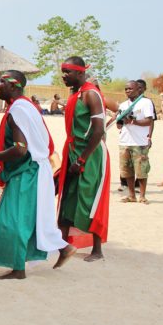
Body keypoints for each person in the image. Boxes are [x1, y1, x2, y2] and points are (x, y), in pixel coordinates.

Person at [0, 71, 73, 278]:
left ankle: (18, 269)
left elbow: (20, 148)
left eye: (2, 82)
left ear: (14, 85)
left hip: (27, 172)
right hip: (35, 170)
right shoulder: (26, 106)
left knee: (15, 219)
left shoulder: (18, 110)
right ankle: (63, 248)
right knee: (32, 218)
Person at [57, 57, 110, 262]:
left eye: (67, 72)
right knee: (67, 195)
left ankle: (97, 250)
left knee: (90, 197)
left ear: (80, 73)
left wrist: (82, 159)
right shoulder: (75, 94)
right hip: (73, 150)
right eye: (63, 71)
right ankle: (61, 245)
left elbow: (98, 131)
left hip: (91, 153)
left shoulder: (91, 94)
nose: (64, 76)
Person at [109, 80, 156, 203]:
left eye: (130, 88)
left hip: (140, 142)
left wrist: (133, 121)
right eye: (126, 89)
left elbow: (149, 121)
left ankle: (142, 196)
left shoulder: (146, 103)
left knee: (142, 170)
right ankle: (131, 195)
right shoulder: (123, 105)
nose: (128, 91)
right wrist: (122, 121)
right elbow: (119, 125)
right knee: (127, 170)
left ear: (138, 89)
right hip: (125, 141)